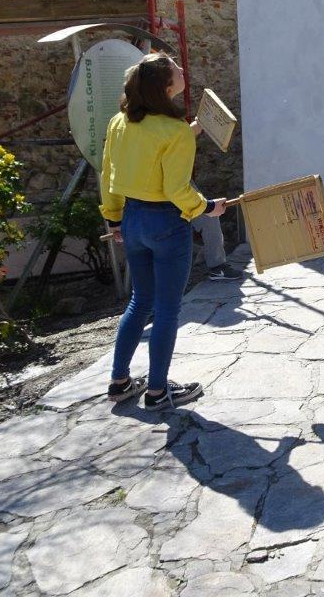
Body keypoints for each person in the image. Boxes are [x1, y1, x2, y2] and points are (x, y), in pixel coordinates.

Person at [100, 53, 228, 410]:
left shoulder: (120, 122)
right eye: (176, 68)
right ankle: (157, 391)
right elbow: (177, 190)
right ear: (166, 86)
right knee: (168, 309)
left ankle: (119, 381)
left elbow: (109, 173)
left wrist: (114, 219)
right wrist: (207, 208)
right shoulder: (174, 132)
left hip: (132, 219)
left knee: (140, 301)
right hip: (167, 224)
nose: (182, 69)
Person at [187, 119, 243, 281]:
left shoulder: (164, 117)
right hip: (160, 188)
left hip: (182, 182)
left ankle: (217, 266)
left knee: (209, 216)